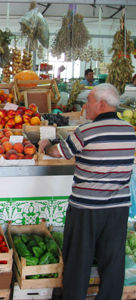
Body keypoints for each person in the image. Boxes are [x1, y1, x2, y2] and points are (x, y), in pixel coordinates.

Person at [38, 83, 136, 300]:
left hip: (86, 208)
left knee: (78, 261)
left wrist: (44, 145)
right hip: (118, 208)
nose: (85, 106)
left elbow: (59, 152)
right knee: (113, 261)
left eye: (89, 101)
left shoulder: (87, 131)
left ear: (101, 104)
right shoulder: (130, 131)